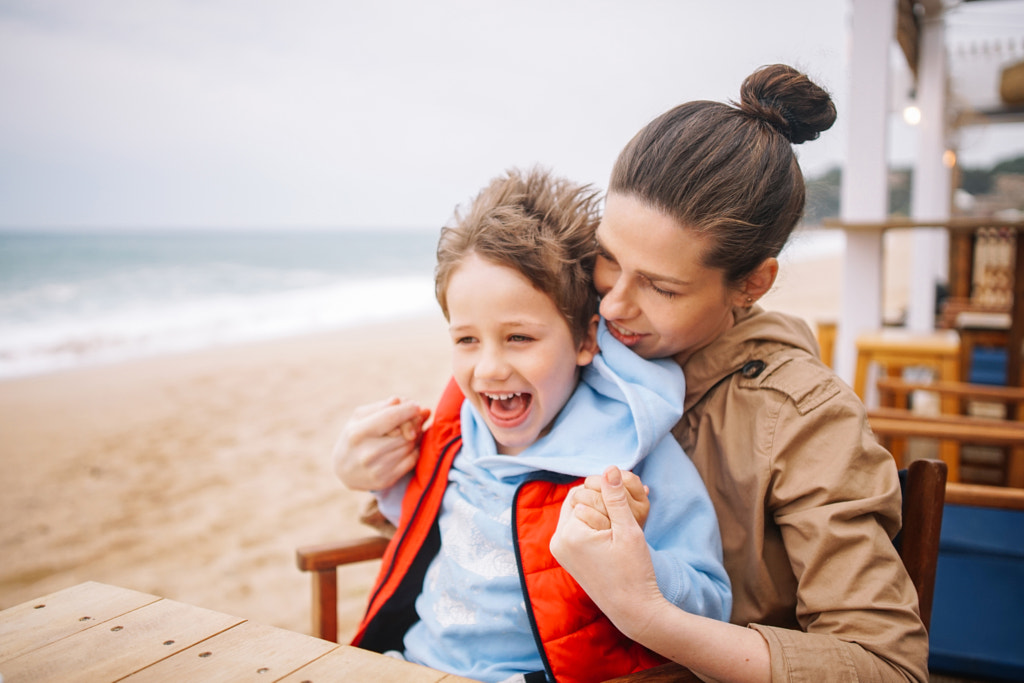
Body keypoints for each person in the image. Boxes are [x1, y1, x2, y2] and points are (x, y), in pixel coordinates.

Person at [545, 64, 929, 683]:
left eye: (663, 288)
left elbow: (889, 667)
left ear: (752, 284)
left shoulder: (807, 420)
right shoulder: (582, 341)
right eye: (608, 258)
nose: (614, 304)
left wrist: (647, 615)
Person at [336, 167, 731, 683]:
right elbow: (417, 522)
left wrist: (634, 559)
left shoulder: (631, 457)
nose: (490, 368)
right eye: (467, 340)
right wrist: (360, 472)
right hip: (411, 663)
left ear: (586, 341)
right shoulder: (457, 433)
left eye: (519, 337)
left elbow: (709, 604)